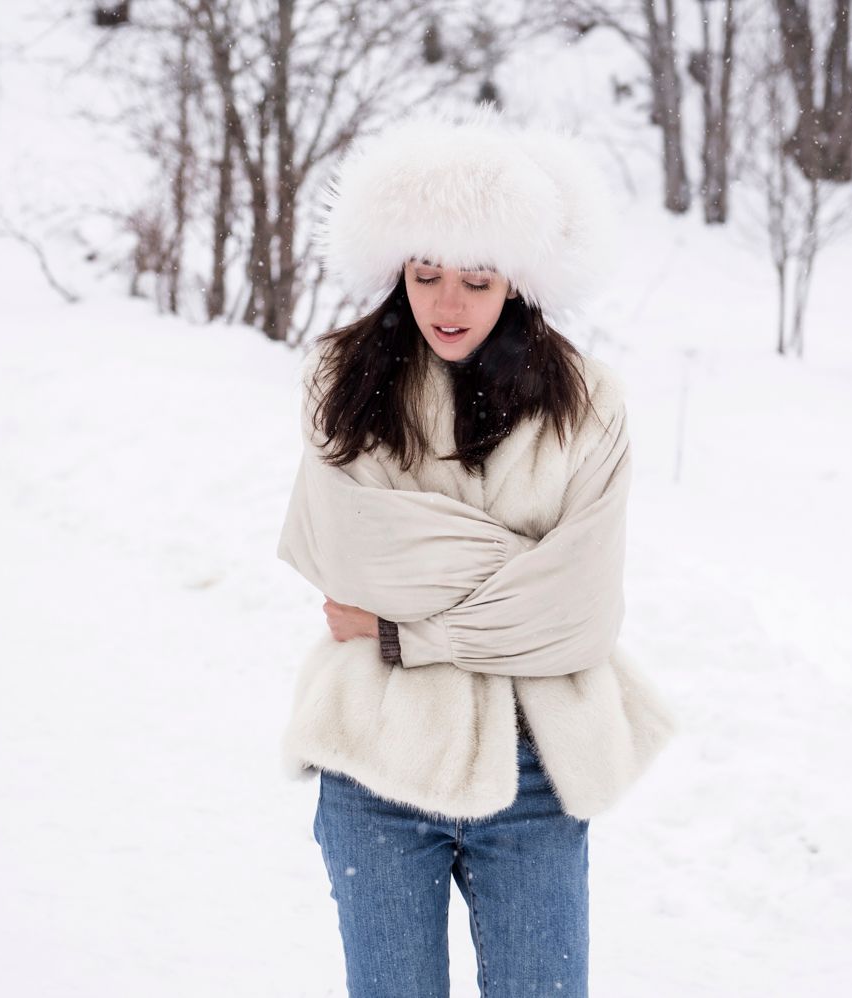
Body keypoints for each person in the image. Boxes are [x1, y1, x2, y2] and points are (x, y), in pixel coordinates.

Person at [276, 104, 679, 998]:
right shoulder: (339, 383)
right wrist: (520, 570)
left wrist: (401, 632)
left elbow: (576, 617)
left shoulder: (589, 401)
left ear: (521, 281)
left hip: (535, 770)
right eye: (425, 275)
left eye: (477, 279)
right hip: (375, 763)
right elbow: (356, 562)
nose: (446, 305)